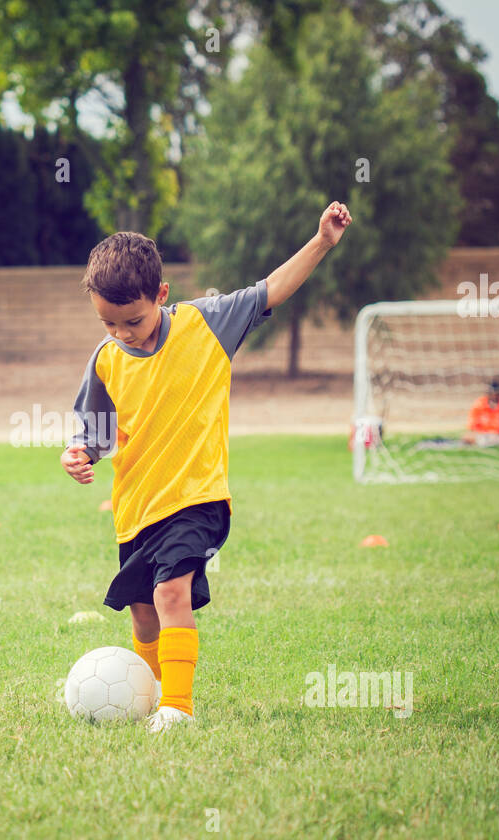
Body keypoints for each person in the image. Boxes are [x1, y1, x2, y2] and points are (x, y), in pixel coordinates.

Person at [61, 202, 353, 733]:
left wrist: (322, 242)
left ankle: (178, 708)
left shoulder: (207, 323)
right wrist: (78, 453)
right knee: (143, 611)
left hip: (197, 497)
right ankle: (149, 700)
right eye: (108, 322)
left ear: (162, 296)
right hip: (136, 506)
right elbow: (96, 434)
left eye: (134, 320)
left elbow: (271, 289)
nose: (122, 333)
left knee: (171, 593)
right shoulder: (105, 359)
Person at [464, 379, 499, 444]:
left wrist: (498, 432)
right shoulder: (480, 403)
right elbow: (472, 424)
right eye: (492, 393)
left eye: (497, 394)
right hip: (482, 434)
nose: (494, 396)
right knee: (468, 437)